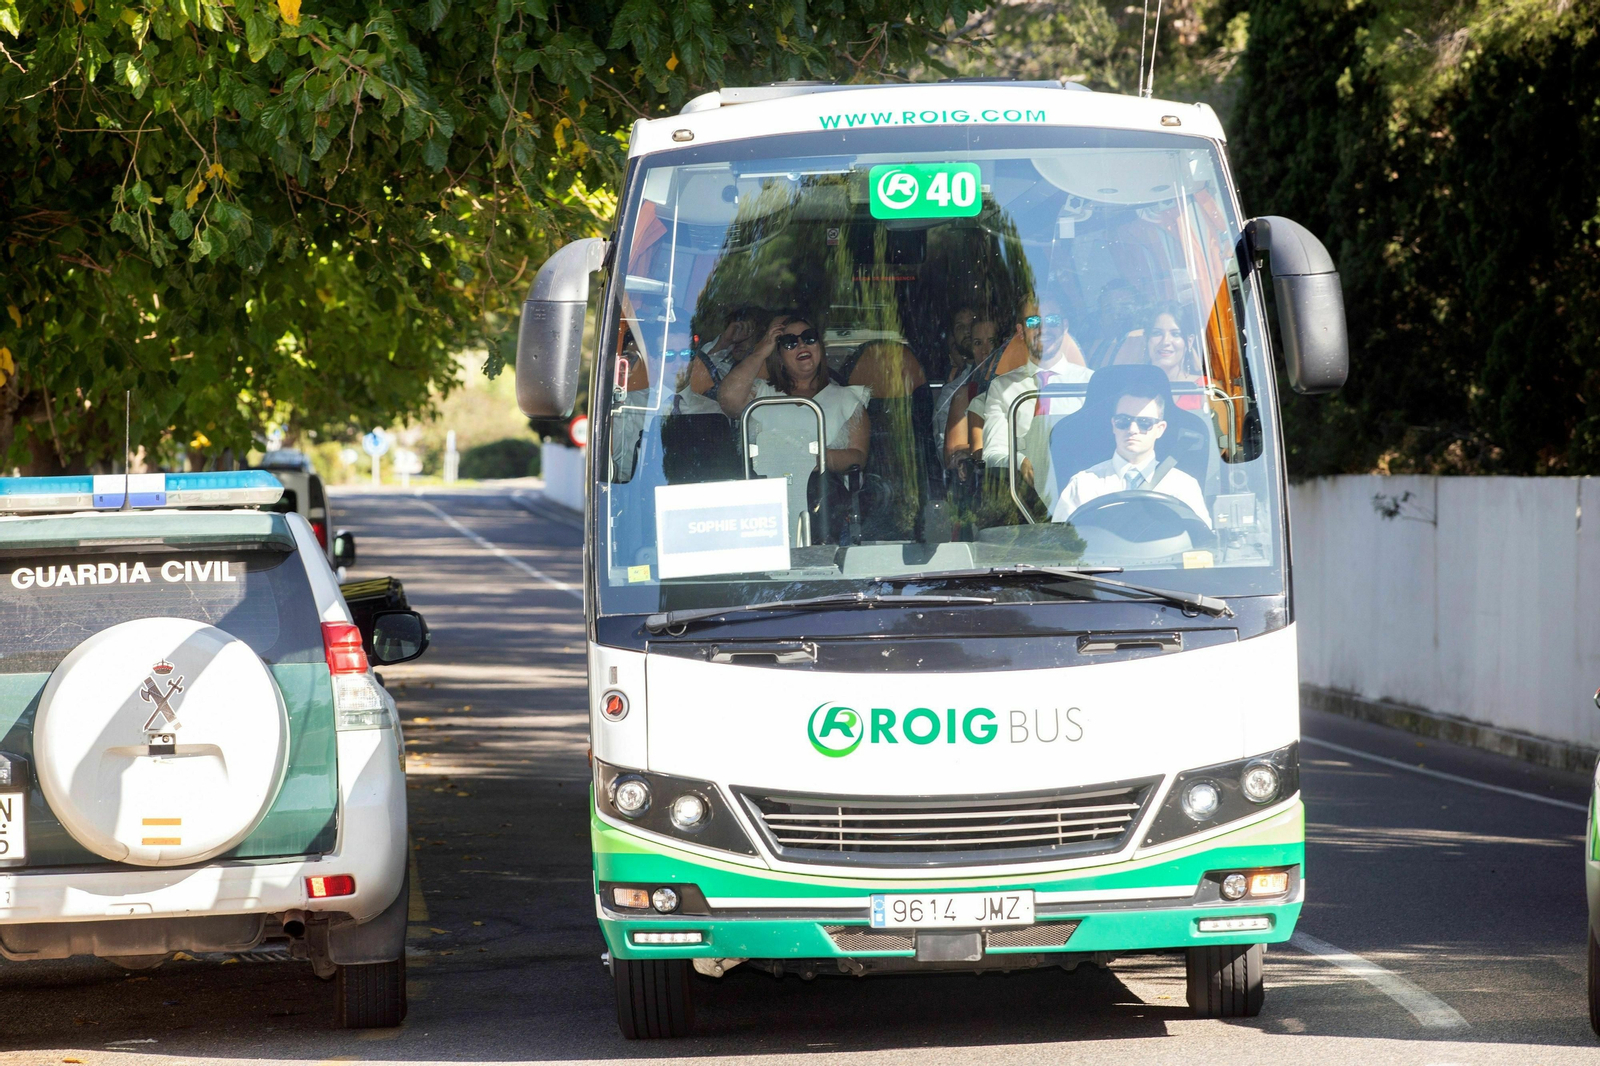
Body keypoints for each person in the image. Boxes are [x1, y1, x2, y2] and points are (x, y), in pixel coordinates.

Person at [969, 295, 1092, 495]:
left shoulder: (1089, 383)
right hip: (1023, 499)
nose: (1043, 329)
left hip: (1081, 495)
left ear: (1065, 326)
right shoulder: (1002, 388)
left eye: (1052, 320)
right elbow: (992, 453)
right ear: (1020, 331)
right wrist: (1020, 462)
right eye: (1034, 322)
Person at [718, 311, 869, 473]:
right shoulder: (760, 393)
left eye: (809, 337)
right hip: (767, 487)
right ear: (779, 357)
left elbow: (859, 457)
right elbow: (728, 400)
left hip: (823, 486)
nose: (801, 345)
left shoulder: (847, 398)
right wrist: (761, 352)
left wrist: (817, 459)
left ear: (819, 346)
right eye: (789, 342)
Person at [1050, 386, 1211, 527]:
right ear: (1114, 424)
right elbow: (1060, 544)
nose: (1132, 429)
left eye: (1144, 422)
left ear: (1160, 429)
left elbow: (1203, 542)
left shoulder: (1183, 486)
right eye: (1123, 421)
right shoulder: (1083, 485)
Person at [933, 306, 998, 461]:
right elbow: (951, 457)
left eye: (991, 341)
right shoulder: (959, 393)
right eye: (978, 342)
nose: (967, 331)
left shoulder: (1017, 383)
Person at [1142, 302, 1210, 411]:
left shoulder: (1206, 389)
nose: (1165, 341)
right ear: (1146, 339)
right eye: (1157, 333)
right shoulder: (1132, 388)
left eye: (1175, 334)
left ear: (1189, 341)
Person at [687, 305, 766, 400]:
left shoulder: (764, 379)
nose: (738, 340)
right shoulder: (724, 369)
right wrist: (724, 342)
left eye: (746, 333)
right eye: (735, 332)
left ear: (762, 338)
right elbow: (698, 376)